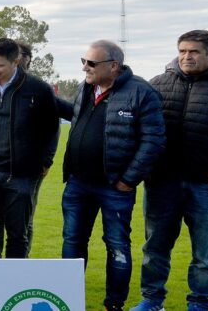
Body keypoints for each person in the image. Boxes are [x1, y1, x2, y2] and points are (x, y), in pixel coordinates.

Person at [61, 40, 165, 311]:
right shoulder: (86, 87)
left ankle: (114, 304)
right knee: (72, 241)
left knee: (117, 245)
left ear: (114, 66)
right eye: (83, 61)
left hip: (115, 188)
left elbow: (153, 140)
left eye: (91, 63)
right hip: (78, 184)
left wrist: (129, 179)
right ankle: (66, 299)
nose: (85, 67)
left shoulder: (142, 92)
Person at [131, 30, 208, 311]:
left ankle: (200, 303)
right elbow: (139, 130)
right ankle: (152, 300)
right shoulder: (158, 85)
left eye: (194, 51)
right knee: (154, 248)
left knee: (205, 254)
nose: (187, 56)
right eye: (183, 50)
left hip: (206, 187)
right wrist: (146, 169)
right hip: (162, 184)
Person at [0, 38, 59, 259]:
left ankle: (15, 286)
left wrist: (46, 161)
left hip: (22, 176)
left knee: (18, 235)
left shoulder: (38, 90)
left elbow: (51, 129)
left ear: (16, 62)